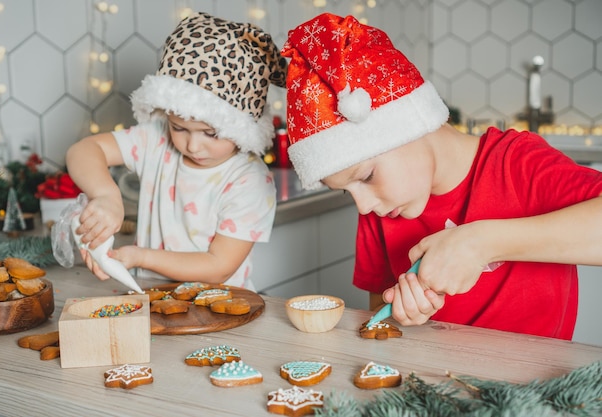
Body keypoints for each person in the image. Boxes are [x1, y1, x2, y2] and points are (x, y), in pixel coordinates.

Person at [280, 12, 602, 340]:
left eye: (365, 177)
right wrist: (405, 312)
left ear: (408, 126)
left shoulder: (517, 163)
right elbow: (380, 312)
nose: (362, 207)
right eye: (347, 192)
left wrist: (481, 244)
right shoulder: (383, 208)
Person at [66, 12, 287, 291]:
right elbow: (83, 150)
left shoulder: (249, 180)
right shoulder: (155, 139)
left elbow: (219, 266)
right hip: (152, 300)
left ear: (241, 127)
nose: (193, 146)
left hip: (221, 309)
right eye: (178, 127)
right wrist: (106, 196)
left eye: (211, 133)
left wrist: (141, 257)